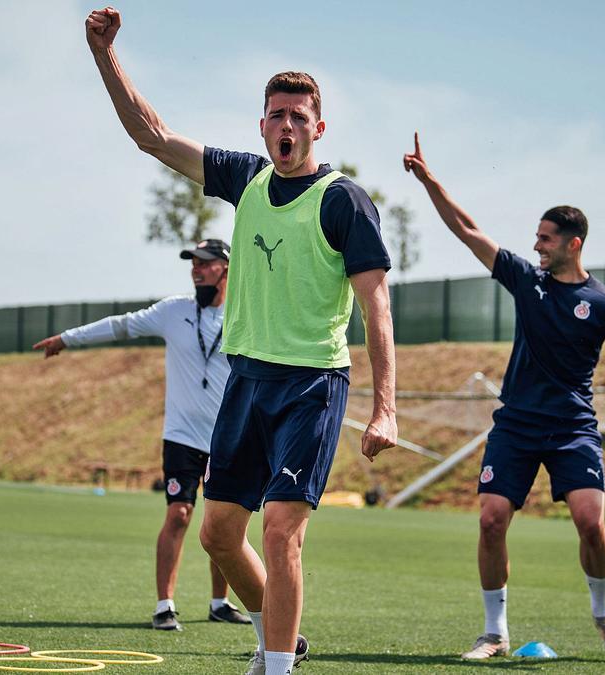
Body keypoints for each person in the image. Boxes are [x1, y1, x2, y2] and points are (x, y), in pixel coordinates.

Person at [86, 9, 399, 674]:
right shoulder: (245, 178)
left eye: (299, 116)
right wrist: (105, 54)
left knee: (281, 531)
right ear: (262, 126)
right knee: (219, 534)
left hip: (312, 384)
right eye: (276, 115)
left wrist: (386, 406)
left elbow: (376, 301)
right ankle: (275, 636)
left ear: (319, 127)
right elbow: (153, 135)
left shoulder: (343, 201)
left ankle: (278, 666)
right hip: (247, 381)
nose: (287, 126)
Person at [402, 134, 605, 660]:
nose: (536, 245)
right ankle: (494, 633)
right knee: (491, 520)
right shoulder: (526, 281)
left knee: (590, 522)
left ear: (573, 243)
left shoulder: (604, 305)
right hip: (516, 424)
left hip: (573, 428)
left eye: (546, 238)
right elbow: (468, 231)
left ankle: (604, 615)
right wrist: (429, 181)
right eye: (535, 237)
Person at [34, 238, 252, 632]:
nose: (195, 269)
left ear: (225, 268)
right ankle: (164, 605)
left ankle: (220, 601)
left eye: (204, 263)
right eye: (193, 263)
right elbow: (122, 325)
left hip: (227, 436)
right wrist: (67, 338)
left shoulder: (246, 314)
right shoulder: (174, 311)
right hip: (182, 436)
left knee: (225, 523)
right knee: (179, 514)